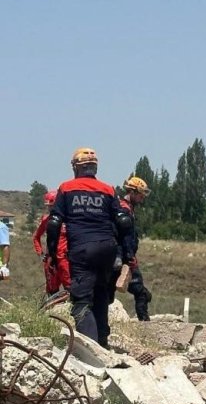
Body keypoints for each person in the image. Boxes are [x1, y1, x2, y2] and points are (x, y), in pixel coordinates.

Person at [46, 148, 133, 347]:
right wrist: (127, 254)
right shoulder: (108, 189)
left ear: (76, 167)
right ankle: (102, 341)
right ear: (94, 168)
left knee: (82, 301)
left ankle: (90, 349)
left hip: (82, 249)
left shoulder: (66, 188)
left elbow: (54, 222)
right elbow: (124, 221)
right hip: (107, 249)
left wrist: (51, 251)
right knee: (101, 295)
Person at [116, 176, 153, 321]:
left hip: (120, 255)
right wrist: (130, 257)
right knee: (142, 293)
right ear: (132, 192)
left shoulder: (123, 207)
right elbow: (125, 237)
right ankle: (144, 324)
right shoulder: (124, 209)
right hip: (124, 257)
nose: (142, 198)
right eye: (140, 195)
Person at [33, 190, 71, 299]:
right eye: (48, 206)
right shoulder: (46, 220)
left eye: (52, 206)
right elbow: (36, 237)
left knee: (70, 288)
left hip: (66, 259)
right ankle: (52, 312)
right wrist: (40, 253)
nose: (50, 209)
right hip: (51, 261)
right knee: (52, 291)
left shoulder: (69, 219)